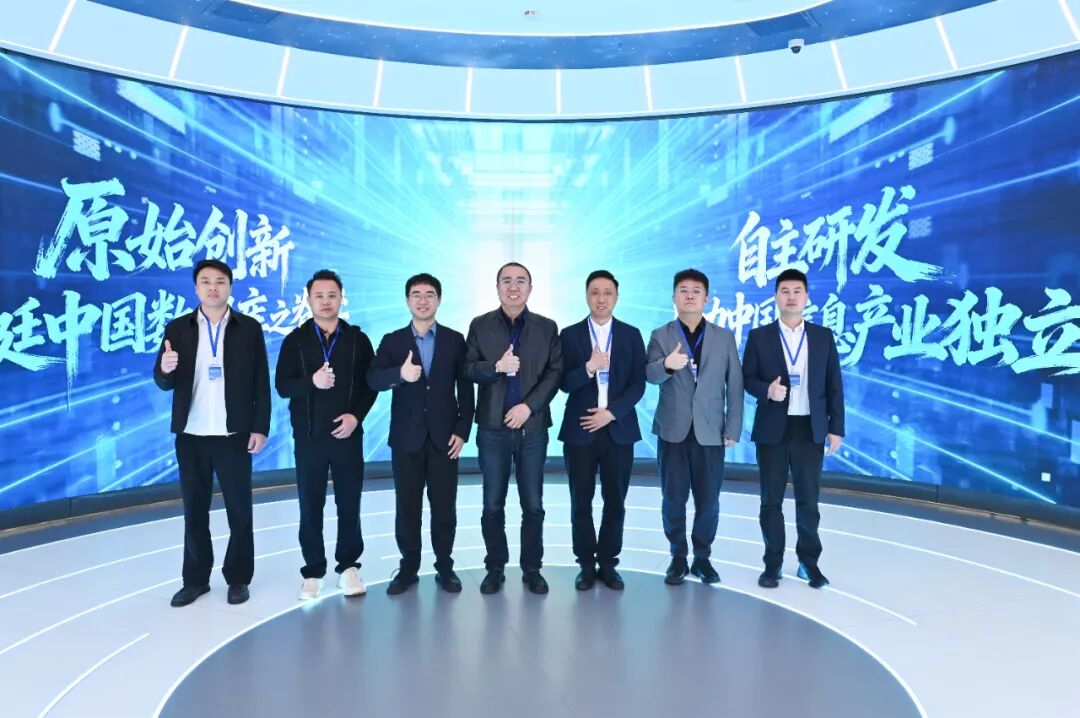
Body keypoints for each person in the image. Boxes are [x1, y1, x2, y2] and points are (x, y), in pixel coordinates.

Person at [154, 259, 270, 607]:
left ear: (230, 287)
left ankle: (238, 578)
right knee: (194, 510)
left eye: (220, 281)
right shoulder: (178, 328)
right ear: (196, 288)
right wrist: (164, 369)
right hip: (191, 434)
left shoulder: (248, 329)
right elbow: (163, 380)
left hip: (234, 434)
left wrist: (260, 428)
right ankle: (195, 580)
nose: (213, 288)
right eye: (205, 282)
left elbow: (261, 383)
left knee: (239, 510)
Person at [367, 273, 475, 595]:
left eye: (429, 294)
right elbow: (373, 379)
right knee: (407, 507)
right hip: (406, 440)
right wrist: (399, 374)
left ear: (438, 300)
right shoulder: (393, 341)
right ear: (407, 301)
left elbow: (466, 389)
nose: (423, 300)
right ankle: (408, 568)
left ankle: (445, 567)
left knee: (444, 508)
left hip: (445, 440)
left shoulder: (455, 340)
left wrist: (462, 430)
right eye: (416, 294)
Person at [274, 269, 376, 600]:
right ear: (309, 300)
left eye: (332, 295)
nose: (326, 301)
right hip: (309, 438)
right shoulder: (295, 340)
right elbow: (282, 386)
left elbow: (371, 386)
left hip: (348, 436)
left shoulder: (358, 340)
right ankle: (313, 571)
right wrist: (311, 382)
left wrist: (356, 416)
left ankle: (349, 567)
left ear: (341, 298)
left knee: (349, 503)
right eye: (319, 296)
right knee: (310, 505)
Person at [743, 268, 844, 590]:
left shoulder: (822, 336)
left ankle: (808, 564)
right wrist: (766, 390)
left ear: (807, 297)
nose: (791, 297)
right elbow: (747, 379)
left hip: (809, 429)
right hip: (773, 428)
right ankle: (772, 565)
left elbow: (834, 385)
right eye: (784, 291)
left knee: (808, 501)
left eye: (797, 291)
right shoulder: (760, 337)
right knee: (770, 501)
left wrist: (836, 428)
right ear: (776, 296)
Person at [465, 262, 562, 595]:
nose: (513, 287)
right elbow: (468, 368)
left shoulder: (546, 327)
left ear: (530, 289)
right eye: (506, 281)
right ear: (497, 288)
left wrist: (528, 407)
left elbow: (555, 373)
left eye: (521, 281)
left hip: (532, 429)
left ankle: (532, 568)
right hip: (492, 429)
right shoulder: (480, 325)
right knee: (492, 503)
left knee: (532, 503)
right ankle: (494, 567)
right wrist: (496, 367)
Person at [645, 269, 743, 586]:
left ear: (707, 299)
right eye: (683, 290)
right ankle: (677, 557)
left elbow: (735, 385)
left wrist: (733, 427)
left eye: (696, 291)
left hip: (711, 430)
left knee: (708, 500)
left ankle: (702, 558)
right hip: (672, 430)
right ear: (674, 297)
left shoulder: (724, 338)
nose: (689, 295)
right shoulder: (660, 335)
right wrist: (666, 365)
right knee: (673, 499)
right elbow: (649, 375)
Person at [558, 270, 646, 591]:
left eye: (607, 292)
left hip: (618, 430)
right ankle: (585, 564)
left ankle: (608, 562)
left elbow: (638, 384)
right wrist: (589, 367)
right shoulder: (569, 335)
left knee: (615, 501)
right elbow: (563, 383)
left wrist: (611, 413)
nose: (601, 298)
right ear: (586, 296)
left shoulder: (631, 335)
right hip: (580, 430)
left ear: (617, 297)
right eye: (595, 292)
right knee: (580, 501)